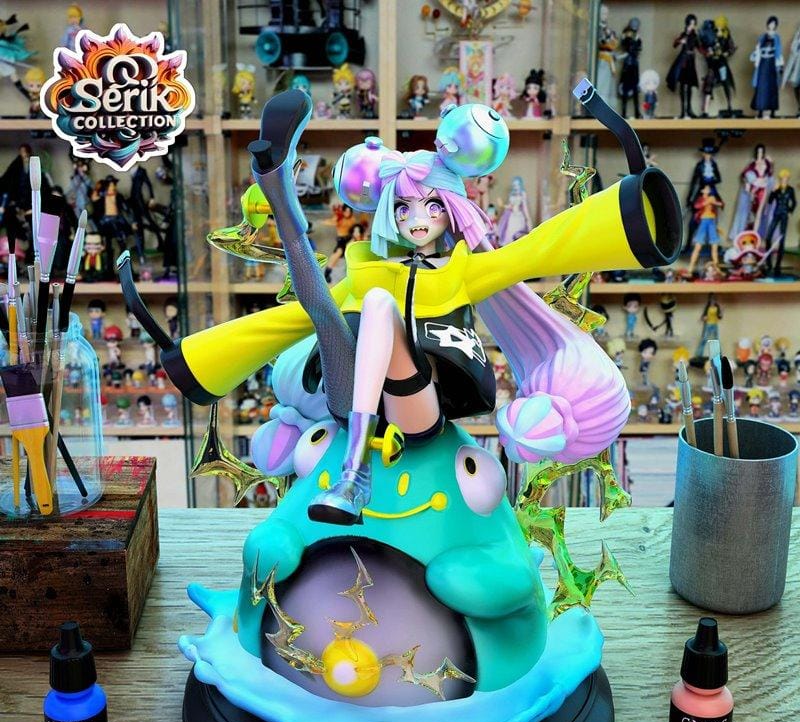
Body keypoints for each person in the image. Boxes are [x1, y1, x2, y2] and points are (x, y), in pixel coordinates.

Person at [136, 90, 680, 525]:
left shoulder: (464, 269)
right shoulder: (372, 270)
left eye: (432, 206)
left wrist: (635, 213)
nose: (417, 219)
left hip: (422, 405)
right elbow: (291, 319)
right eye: (402, 208)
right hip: (351, 397)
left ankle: (353, 475)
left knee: (369, 305)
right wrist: (198, 360)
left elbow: (541, 248)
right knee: (326, 310)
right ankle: (278, 191)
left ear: (454, 210)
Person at [728, 143, 774, 240]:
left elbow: (770, 173)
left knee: (759, 212)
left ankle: (755, 233)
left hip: (763, 189)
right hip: (754, 189)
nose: (760, 154)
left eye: (761, 152)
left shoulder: (766, 162)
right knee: (749, 211)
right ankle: (748, 231)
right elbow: (744, 175)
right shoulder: (752, 163)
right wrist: (747, 183)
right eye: (758, 152)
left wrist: (772, 164)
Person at [667, 14, 700, 118]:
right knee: (682, 86)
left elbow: (700, 47)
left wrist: (708, 52)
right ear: (687, 24)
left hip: (691, 62)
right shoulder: (683, 34)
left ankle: (689, 109)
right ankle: (683, 111)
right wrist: (681, 40)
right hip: (683, 62)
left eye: (693, 24)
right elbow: (675, 44)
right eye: (690, 24)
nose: (692, 26)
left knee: (690, 86)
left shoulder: (695, 36)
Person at [765, 169, 797, 275]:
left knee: (782, 240)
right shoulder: (777, 189)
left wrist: (790, 210)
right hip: (776, 213)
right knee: (768, 237)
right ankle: (768, 263)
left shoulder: (790, 190)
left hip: (784, 214)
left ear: (788, 179)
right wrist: (773, 191)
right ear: (780, 179)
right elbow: (770, 201)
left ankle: (777, 265)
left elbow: (794, 202)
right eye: (783, 178)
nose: (784, 180)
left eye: (786, 178)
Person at [751, 16, 784, 118]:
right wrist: (756, 56)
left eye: (774, 24)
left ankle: (772, 111)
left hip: (772, 64)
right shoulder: (762, 36)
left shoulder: (777, 37)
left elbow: (778, 51)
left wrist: (780, 65)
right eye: (770, 23)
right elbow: (758, 48)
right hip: (763, 64)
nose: (772, 25)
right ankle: (760, 111)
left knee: (772, 88)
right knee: (761, 87)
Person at [618, 18, 642, 118]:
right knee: (625, 89)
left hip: (634, 65)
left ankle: (637, 112)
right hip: (628, 64)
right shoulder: (627, 36)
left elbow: (639, 48)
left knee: (635, 89)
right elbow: (628, 47)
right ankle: (624, 113)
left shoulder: (636, 36)